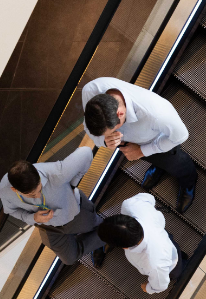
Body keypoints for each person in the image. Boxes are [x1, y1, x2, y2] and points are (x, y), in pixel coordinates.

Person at [82, 77, 198, 214]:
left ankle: (189, 181)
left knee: (176, 162)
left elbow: (181, 136)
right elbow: (89, 127)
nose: (114, 134)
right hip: (135, 142)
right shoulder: (91, 90)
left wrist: (141, 151)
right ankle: (159, 167)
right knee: (156, 159)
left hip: (157, 141)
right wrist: (104, 141)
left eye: (113, 130)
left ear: (120, 113)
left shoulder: (158, 113)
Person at [0, 147, 107, 267]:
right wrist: (33, 218)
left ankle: (103, 239)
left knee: (102, 230)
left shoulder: (57, 173)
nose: (38, 195)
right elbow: (11, 211)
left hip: (74, 213)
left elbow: (86, 152)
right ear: (14, 190)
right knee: (69, 258)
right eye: (32, 195)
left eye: (39, 189)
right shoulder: (5, 190)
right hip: (49, 227)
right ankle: (97, 240)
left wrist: (73, 183)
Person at [97, 193, 187, 295]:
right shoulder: (130, 205)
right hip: (163, 238)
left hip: (172, 264)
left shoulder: (155, 264)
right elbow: (149, 198)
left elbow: (161, 285)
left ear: (124, 247)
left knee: (180, 271)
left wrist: (149, 288)